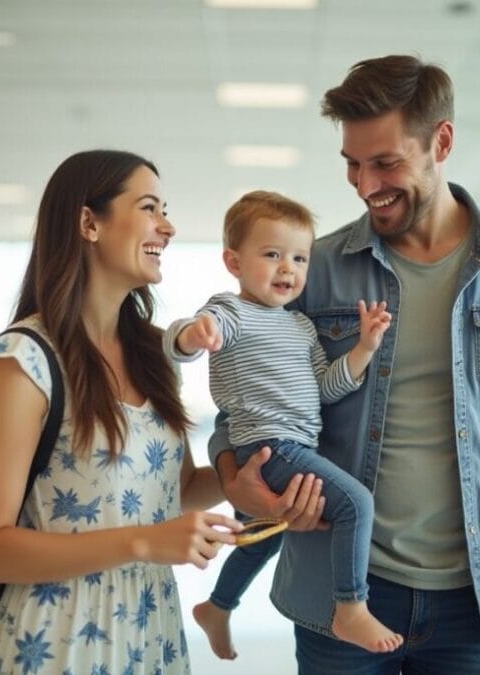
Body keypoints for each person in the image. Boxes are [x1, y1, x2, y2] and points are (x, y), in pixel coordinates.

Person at [212, 55, 480, 673]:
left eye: (384, 162)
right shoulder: (315, 270)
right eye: (353, 164)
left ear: (441, 141)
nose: (364, 185)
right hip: (341, 593)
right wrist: (234, 477)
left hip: (478, 599)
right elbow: (241, 398)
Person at [0, 149, 242, 675]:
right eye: (150, 208)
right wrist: (142, 542)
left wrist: (241, 476)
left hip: (150, 632)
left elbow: (171, 493)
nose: (168, 226)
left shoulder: (157, 355)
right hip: (57, 642)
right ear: (89, 222)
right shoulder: (24, 362)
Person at [164, 191, 399, 658]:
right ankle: (350, 606)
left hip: (289, 444)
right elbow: (185, 335)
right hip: (271, 446)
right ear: (234, 261)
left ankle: (217, 607)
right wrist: (194, 335)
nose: (287, 269)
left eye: (298, 258)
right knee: (355, 502)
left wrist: (364, 349)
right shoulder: (231, 311)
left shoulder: (301, 328)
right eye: (271, 255)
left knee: (260, 539)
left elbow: (326, 390)